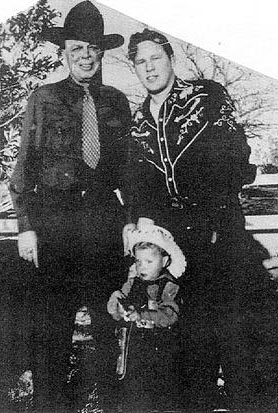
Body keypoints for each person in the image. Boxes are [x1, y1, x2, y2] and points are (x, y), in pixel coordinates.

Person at [125, 28, 278, 411]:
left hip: (220, 234)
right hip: (175, 248)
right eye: (140, 62)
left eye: (155, 58)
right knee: (190, 344)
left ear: (170, 59)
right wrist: (140, 222)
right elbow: (140, 184)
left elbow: (234, 159)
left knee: (235, 336)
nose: (149, 67)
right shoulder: (139, 120)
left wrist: (208, 214)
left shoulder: (205, 96)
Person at [9, 1, 131, 412]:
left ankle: (111, 403)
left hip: (103, 222)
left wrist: (133, 222)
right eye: (77, 48)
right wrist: (26, 226)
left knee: (109, 319)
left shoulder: (116, 101)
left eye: (92, 49)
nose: (85, 56)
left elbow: (128, 170)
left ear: (101, 54)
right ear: (64, 53)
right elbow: (24, 166)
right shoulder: (43, 98)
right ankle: (50, 406)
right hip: (54, 223)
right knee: (52, 328)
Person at [107, 217, 186, 412]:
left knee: (161, 395)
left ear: (165, 261)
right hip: (133, 351)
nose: (142, 267)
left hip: (160, 352)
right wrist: (116, 304)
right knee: (133, 394)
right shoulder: (132, 283)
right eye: (138, 261)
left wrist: (142, 315)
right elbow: (118, 312)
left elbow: (169, 315)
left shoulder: (169, 286)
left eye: (149, 261)